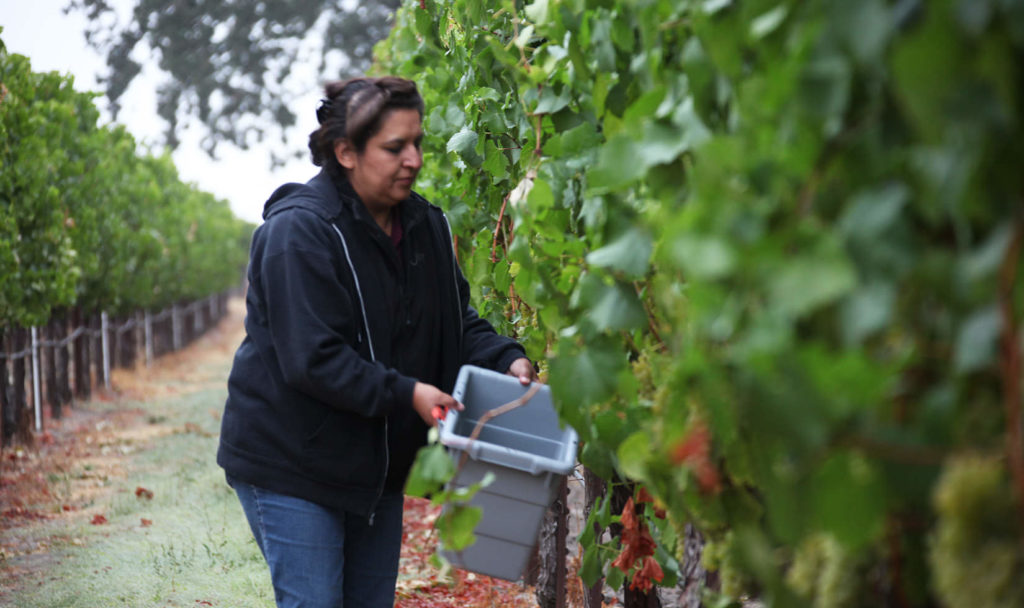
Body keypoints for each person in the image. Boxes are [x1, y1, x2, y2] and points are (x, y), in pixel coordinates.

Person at [216, 76, 536, 608]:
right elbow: (313, 360)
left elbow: (455, 322)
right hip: (293, 460)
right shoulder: (299, 233)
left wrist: (506, 357)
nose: (413, 159)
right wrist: (409, 394)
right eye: (394, 148)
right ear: (345, 152)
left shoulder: (426, 226)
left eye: (417, 143)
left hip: (373, 466)